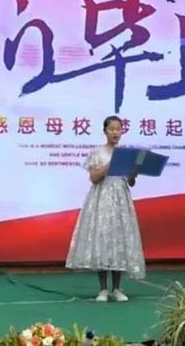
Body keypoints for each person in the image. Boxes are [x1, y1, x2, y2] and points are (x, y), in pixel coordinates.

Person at [65, 116, 146, 302]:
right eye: (112, 129)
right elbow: (94, 178)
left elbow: (130, 182)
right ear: (105, 131)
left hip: (120, 201)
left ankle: (117, 288)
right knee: (102, 241)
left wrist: (134, 171)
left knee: (119, 241)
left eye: (119, 129)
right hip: (101, 200)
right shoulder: (98, 152)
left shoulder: (126, 153)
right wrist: (112, 163)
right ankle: (102, 289)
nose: (115, 132)